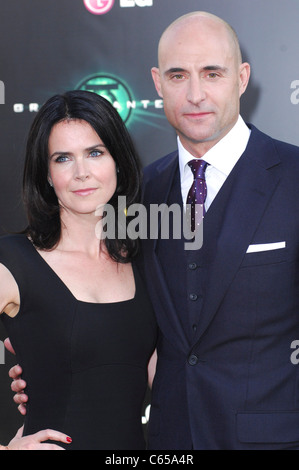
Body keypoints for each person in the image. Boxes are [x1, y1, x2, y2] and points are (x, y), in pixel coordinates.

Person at [9, 10, 299, 449]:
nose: (196, 93)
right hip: (164, 441)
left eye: (212, 73)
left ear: (241, 77)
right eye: (179, 75)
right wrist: (45, 361)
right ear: (158, 83)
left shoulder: (293, 176)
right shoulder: (137, 197)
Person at [0, 90, 157, 450]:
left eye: (95, 152)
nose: (82, 172)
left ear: (118, 160)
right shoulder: (13, 262)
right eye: (63, 158)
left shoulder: (145, 261)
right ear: (46, 174)